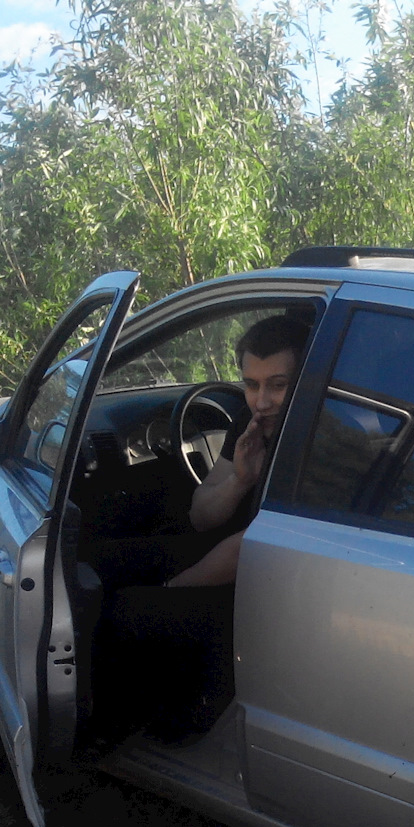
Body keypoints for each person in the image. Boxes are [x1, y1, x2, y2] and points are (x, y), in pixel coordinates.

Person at [90, 313, 311, 742]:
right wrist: (241, 479)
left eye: (279, 385)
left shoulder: (318, 439)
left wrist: (173, 588)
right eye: (251, 384)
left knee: (126, 610)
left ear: (308, 377)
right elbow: (201, 516)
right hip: (233, 555)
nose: (261, 400)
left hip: (269, 588)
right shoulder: (253, 428)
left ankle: (139, 728)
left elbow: (251, 548)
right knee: (103, 565)